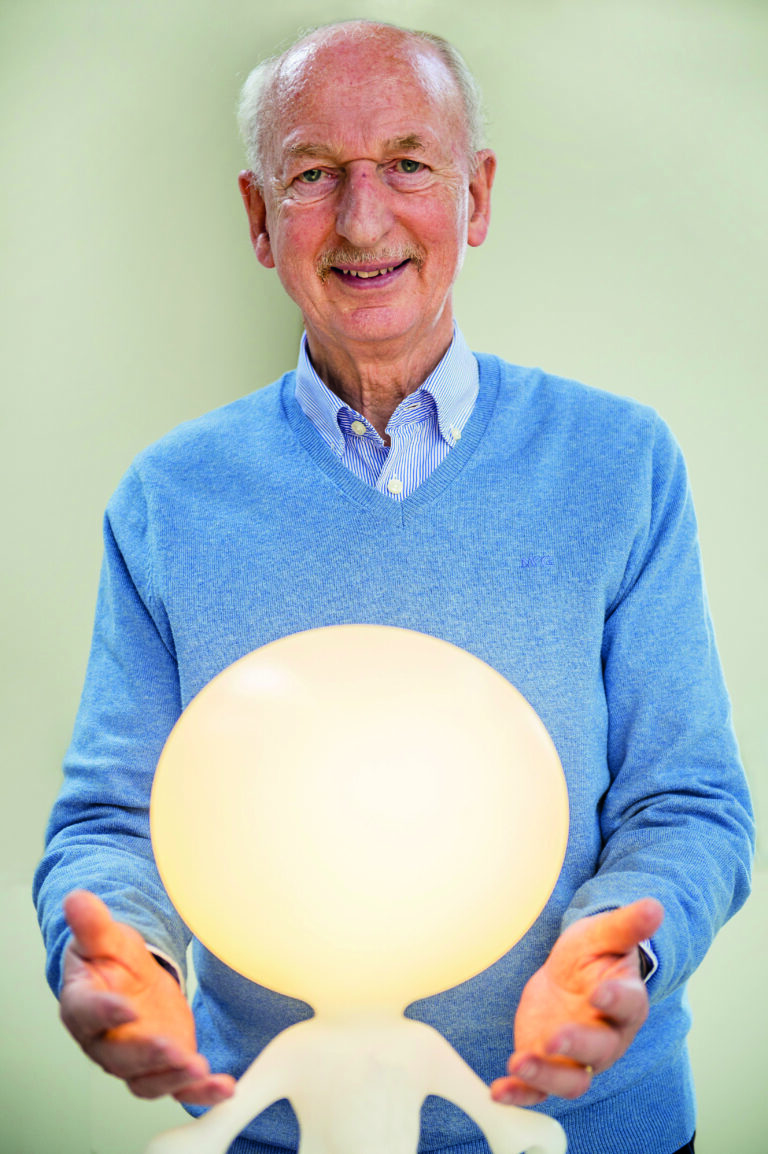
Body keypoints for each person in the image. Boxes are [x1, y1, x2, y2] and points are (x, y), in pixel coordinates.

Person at [34, 20, 753, 1154]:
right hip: (274, 1129)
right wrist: (122, 958)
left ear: (476, 197)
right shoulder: (169, 499)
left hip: (593, 1127)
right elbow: (115, 821)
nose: (363, 220)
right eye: (314, 174)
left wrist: (624, 946)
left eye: (409, 163)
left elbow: (688, 798)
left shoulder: (619, 463)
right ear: (259, 217)